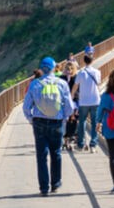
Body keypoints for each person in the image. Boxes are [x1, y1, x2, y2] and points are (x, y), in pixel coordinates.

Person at [22, 56, 75, 196]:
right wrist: (63, 118)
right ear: (53, 68)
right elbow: (69, 107)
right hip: (56, 122)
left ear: (41, 68)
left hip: (39, 122)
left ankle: (44, 187)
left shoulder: (35, 84)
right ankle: (55, 184)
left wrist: (31, 120)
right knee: (56, 153)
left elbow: (26, 107)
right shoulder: (62, 83)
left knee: (41, 155)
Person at [72, 54, 101, 152]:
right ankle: (93, 145)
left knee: (82, 122)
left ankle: (81, 144)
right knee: (94, 122)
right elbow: (98, 84)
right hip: (95, 100)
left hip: (83, 101)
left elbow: (75, 86)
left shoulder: (81, 73)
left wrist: (71, 96)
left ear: (84, 61)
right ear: (92, 61)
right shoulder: (97, 72)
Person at [61, 61, 79, 150]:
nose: (69, 70)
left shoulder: (76, 78)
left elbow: (78, 91)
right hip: (64, 103)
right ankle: (66, 140)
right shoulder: (61, 78)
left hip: (74, 102)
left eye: (71, 69)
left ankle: (72, 138)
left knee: (73, 121)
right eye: (68, 69)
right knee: (65, 122)